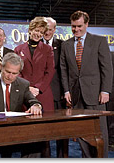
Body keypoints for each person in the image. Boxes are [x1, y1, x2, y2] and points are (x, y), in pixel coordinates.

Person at [60, 10, 113, 158]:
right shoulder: (66, 45)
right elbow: (63, 70)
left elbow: (106, 68)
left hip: (96, 95)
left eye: (79, 26)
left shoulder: (99, 41)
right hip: (75, 96)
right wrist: (66, 91)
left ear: (86, 24)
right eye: (73, 26)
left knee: (100, 131)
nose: (76, 29)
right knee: (82, 131)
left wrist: (105, 91)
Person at [14, 17, 55, 158]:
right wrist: (28, 88)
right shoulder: (18, 49)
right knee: (27, 133)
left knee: (44, 135)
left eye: (41, 32)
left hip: (43, 94)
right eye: (36, 30)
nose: (38, 34)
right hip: (25, 95)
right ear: (30, 30)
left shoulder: (48, 49)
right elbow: (16, 72)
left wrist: (37, 88)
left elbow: (50, 71)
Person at [43, 17, 67, 158]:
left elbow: (66, 70)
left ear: (55, 30)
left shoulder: (62, 45)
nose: (47, 32)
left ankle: (62, 157)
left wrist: (66, 91)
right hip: (42, 93)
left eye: (50, 29)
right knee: (44, 130)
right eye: (45, 29)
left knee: (62, 129)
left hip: (59, 94)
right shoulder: (35, 44)